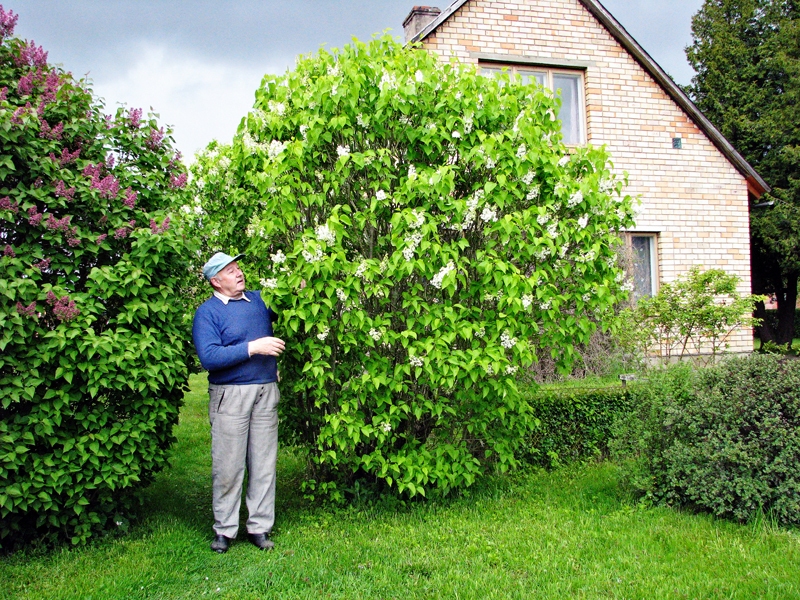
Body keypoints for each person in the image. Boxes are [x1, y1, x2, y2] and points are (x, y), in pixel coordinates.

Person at [192, 251, 285, 553]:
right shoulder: (207, 313)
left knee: (263, 463)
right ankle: (225, 530)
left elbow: (289, 304)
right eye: (230, 271)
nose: (239, 273)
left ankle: (259, 527)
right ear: (216, 282)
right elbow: (210, 358)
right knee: (228, 465)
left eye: (238, 268)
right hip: (230, 395)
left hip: (265, 392)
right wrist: (253, 347)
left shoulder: (259, 300)